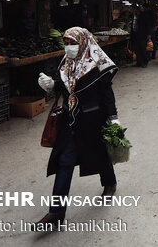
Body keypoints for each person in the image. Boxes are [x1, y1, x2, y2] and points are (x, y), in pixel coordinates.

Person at [36, 27, 120, 226]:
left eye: (72, 43)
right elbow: (63, 85)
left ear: (82, 42)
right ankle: (56, 212)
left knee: (100, 154)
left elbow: (107, 94)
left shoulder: (98, 63)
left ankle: (109, 183)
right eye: (65, 43)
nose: (69, 48)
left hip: (93, 120)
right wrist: (50, 84)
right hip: (70, 120)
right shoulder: (66, 63)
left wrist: (113, 117)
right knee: (65, 161)